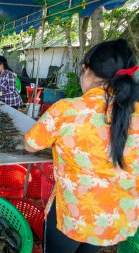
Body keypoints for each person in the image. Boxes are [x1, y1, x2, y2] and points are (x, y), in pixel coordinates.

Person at [24, 39, 139, 253]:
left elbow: (30, 145)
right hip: (113, 217)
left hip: (73, 214)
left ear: (87, 71)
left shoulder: (68, 110)